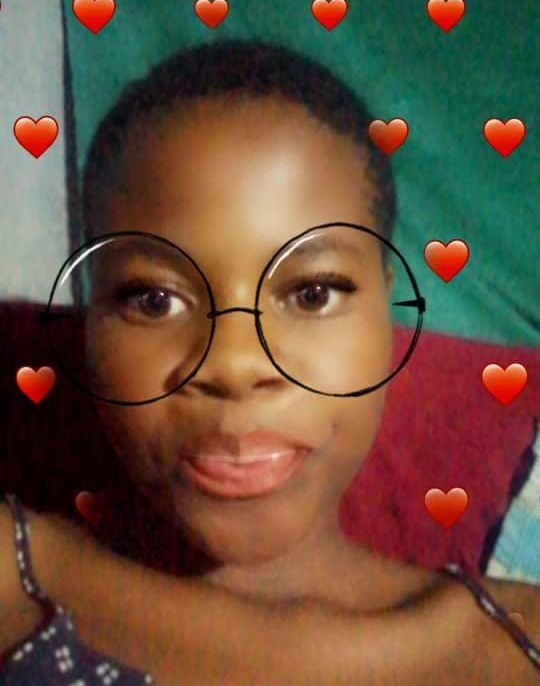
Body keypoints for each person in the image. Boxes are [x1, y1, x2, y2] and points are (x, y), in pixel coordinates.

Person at [1, 39, 539, 685]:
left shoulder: (520, 644)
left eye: (311, 294)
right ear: (90, 321)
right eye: (154, 299)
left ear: (386, 310)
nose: (233, 364)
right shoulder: (15, 585)